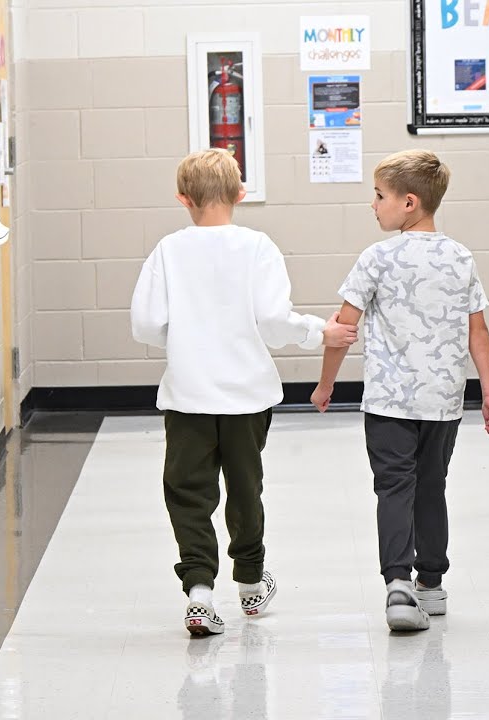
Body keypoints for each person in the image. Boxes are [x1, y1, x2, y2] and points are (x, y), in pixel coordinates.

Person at [131, 148, 359, 636]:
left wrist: (187, 339)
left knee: (188, 493)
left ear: (182, 198)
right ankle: (251, 582)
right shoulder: (258, 247)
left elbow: (145, 324)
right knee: (245, 486)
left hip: (188, 396)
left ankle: (199, 593)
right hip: (247, 397)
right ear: (240, 193)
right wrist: (319, 332)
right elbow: (273, 322)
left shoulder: (168, 251)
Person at [311, 149, 489, 631]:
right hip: (443, 403)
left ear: (409, 202)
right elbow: (478, 331)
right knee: (432, 486)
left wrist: (325, 384)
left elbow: (343, 330)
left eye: (380, 196)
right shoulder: (461, 257)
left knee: (394, 487)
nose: (373, 204)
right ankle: (432, 584)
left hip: (388, 403)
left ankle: (398, 584)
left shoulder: (376, 258)